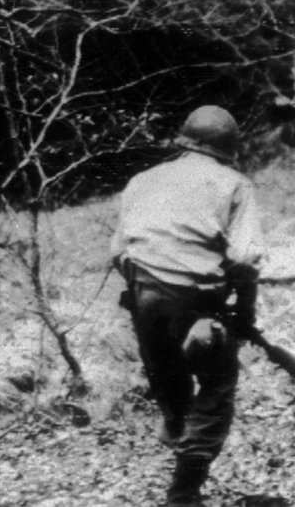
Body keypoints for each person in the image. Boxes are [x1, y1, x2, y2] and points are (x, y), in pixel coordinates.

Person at [111, 105, 263, 506]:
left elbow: (118, 250)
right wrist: (245, 310)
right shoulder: (235, 184)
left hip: (143, 296)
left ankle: (180, 441)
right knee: (216, 387)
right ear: (228, 147)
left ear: (185, 139)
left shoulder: (142, 180)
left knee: (170, 385)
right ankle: (183, 494)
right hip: (197, 303)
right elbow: (246, 259)